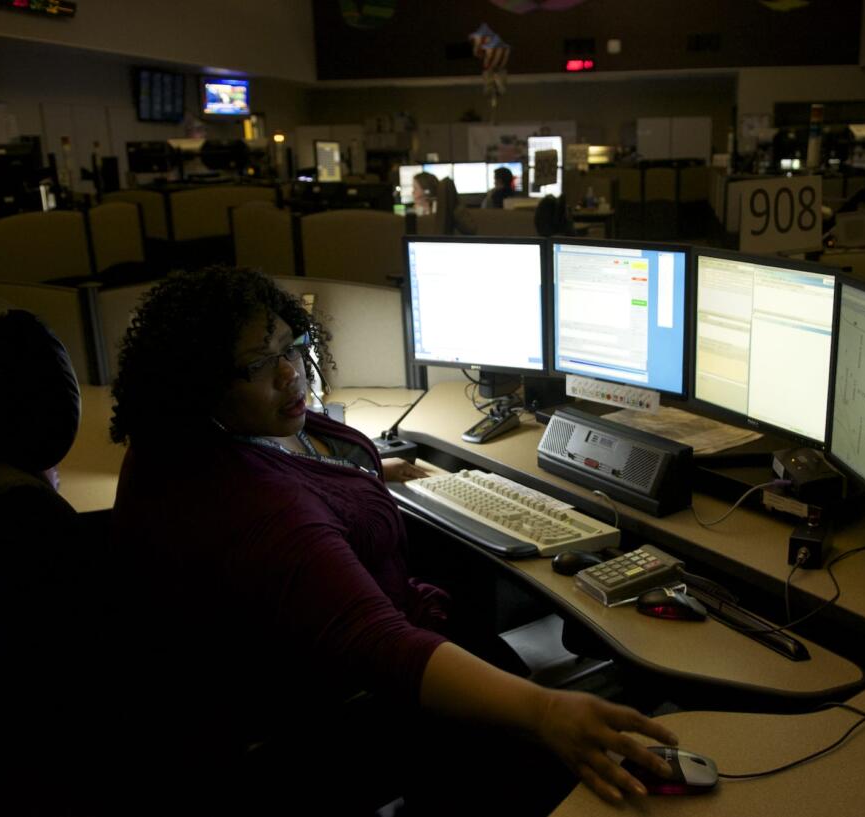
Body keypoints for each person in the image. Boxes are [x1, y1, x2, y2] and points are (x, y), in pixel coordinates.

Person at [108, 266, 678, 815]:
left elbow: (300, 482)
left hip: (345, 643)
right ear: (199, 385)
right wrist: (545, 712)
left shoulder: (220, 438)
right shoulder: (258, 506)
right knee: (540, 733)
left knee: (500, 647)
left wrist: (364, 471)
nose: (290, 375)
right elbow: (378, 643)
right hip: (347, 701)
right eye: (258, 365)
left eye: (289, 347)